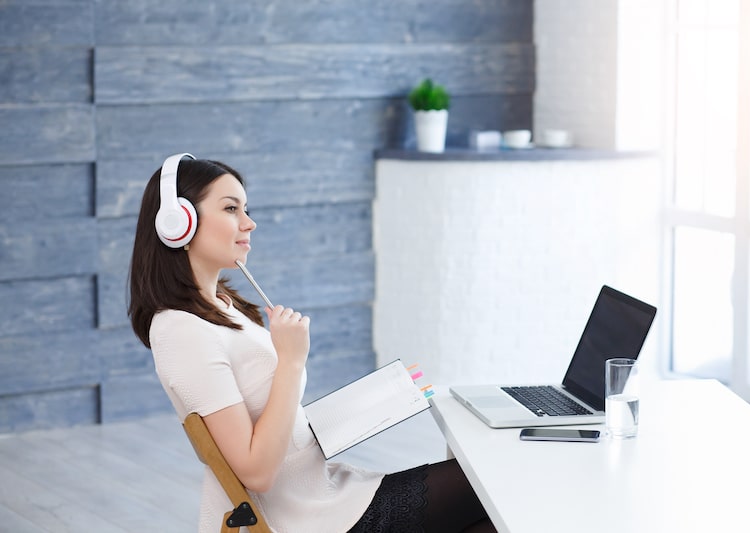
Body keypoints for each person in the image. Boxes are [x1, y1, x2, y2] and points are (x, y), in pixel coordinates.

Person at [128, 154, 496, 533]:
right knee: (497, 481)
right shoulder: (180, 330)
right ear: (178, 224)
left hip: (332, 494)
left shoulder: (223, 307)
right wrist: (290, 362)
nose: (248, 223)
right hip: (312, 520)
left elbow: (278, 421)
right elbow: (255, 473)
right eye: (231, 208)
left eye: (245, 209)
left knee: (498, 508)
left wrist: (368, 405)